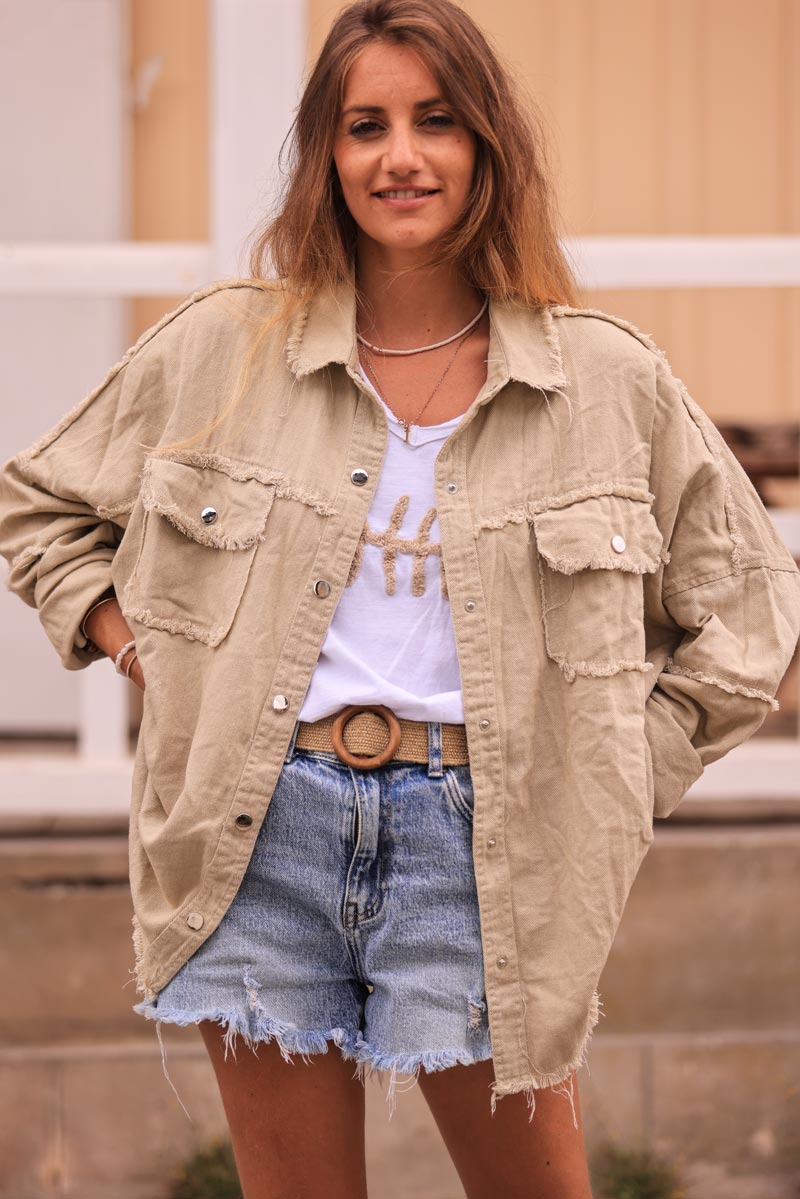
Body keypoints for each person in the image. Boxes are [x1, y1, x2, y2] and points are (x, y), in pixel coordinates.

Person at [1, 1, 799, 1196]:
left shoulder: (603, 378)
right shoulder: (223, 349)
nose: (399, 156)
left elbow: (749, 611)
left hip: (485, 847)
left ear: (485, 144)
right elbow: (39, 508)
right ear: (326, 154)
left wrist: (618, 767)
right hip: (255, 832)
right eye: (362, 126)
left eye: (434, 121)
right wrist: (143, 652)